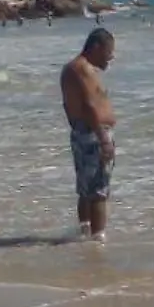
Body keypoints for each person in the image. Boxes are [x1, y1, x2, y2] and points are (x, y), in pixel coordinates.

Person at [59, 28, 116, 240]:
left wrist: (78, 129)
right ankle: (98, 241)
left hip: (82, 132)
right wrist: (103, 138)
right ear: (96, 47)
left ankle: (84, 233)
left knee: (85, 190)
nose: (111, 57)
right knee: (99, 192)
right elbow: (90, 105)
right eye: (109, 51)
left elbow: (67, 107)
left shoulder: (71, 69)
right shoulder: (82, 69)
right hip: (93, 134)